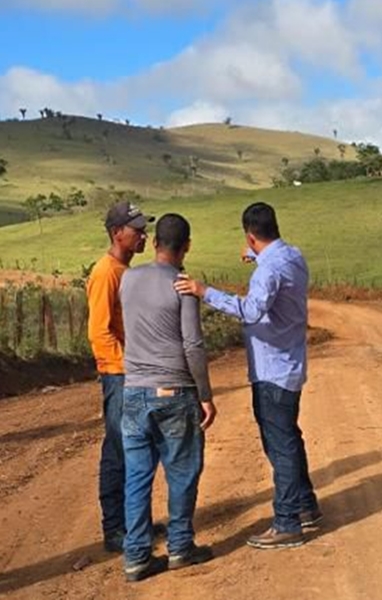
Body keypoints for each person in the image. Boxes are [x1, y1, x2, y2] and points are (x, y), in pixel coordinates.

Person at [175, 202, 320, 550]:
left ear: (250, 235)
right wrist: (257, 257)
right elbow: (273, 269)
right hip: (289, 365)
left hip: (272, 369)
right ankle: (305, 505)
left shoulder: (268, 271)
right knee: (290, 438)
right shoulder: (292, 256)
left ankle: (287, 523)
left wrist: (203, 291)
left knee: (279, 444)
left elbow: (251, 311)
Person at [119, 213, 216, 582]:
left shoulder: (128, 279)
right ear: (186, 245)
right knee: (182, 471)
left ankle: (136, 557)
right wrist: (205, 394)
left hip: (133, 390)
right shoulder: (183, 285)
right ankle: (179, 547)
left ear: (156, 242)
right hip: (175, 390)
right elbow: (192, 345)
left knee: (137, 476)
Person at [86, 200, 153, 553]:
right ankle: (114, 528)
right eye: (137, 229)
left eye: (144, 229)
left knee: (136, 448)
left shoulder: (124, 271)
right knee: (117, 449)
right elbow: (99, 332)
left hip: (131, 373)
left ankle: (131, 521)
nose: (144, 235)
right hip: (119, 374)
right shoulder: (106, 272)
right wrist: (128, 369)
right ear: (117, 233)